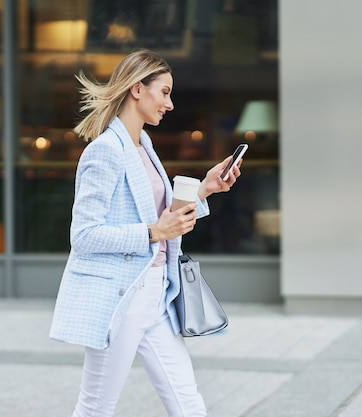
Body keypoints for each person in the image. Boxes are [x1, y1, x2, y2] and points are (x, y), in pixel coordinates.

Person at [49, 49, 242, 417]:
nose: (170, 104)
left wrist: (205, 189)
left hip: (157, 296)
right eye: (164, 92)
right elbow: (85, 236)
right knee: (95, 408)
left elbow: (164, 216)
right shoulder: (105, 151)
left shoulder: (144, 147)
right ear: (138, 89)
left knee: (188, 402)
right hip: (123, 298)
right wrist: (154, 232)